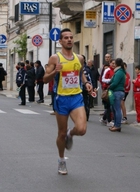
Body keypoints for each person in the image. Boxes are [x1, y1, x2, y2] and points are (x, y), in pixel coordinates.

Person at [43, 28, 92, 175]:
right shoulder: (55, 58)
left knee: (82, 129)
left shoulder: (80, 58)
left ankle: (72, 133)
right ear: (60, 41)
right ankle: (61, 159)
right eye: (66, 38)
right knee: (61, 133)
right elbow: (45, 79)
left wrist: (86, 83)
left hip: (76, 97)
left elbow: (81, 72)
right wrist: (55, 72)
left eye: (71, 37)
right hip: (61, 99)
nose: (69, 39)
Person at [108, 58, 126, 132]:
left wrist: (109, 87)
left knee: (117, 109)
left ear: (117, 64)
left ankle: (117, 125)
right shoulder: (118, 72)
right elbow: (112, 81)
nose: (113, 65)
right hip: (117, 91)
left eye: (114, 63)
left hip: (117, 92)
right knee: (114, 109)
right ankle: (115, 125)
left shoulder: (119, 72)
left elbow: (115, 83)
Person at [101, 60, 115, 127]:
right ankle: (108, 120)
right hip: (107, 89)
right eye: (112, 63)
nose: (113, 65)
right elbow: (103, 79)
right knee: (109, 105)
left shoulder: (115, 70)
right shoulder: (107, 70)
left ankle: (104, 118)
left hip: (113, 89)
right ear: (110, 63)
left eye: (114, 63)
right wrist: (110, 80)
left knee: (110, 105)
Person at [81, 55, 92, 121]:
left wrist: (92, 87)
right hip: (77, 89)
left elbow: (91, 79)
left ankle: (86, 115)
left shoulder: (86, 69)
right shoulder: (76, 67)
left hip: (85, 89)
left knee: (85, 102)